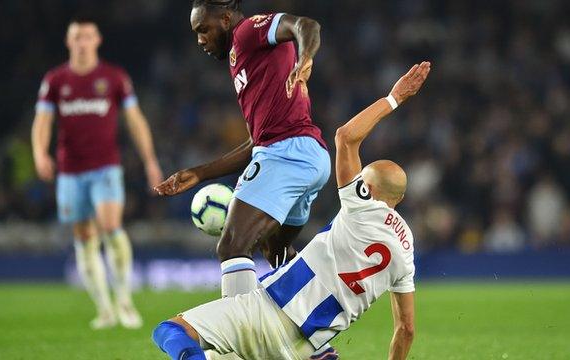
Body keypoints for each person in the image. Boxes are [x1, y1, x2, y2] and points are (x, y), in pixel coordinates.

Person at [152, 62, 431, 360]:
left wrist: (394, 97)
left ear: (368, 190)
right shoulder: (405, 254)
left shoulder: (361, 206)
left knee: (169, 332)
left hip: (268, 311)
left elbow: (346, 137)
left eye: (362, 179)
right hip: (300, 347)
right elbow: (406, 329)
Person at [156, 0, 328, 300]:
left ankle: (237, 340)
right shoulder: (241, 59)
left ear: (225, 19)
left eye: (203, 29)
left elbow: (306, 25)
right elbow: (255, 144)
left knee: (232, 246)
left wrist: (305, 58)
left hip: (286, 154)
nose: (200, 40)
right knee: (275, 252)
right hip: (307, 155)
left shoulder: (248, 31)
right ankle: (314, 337)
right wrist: (200, 173)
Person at [31, 17, 163, 329]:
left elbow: (135, 120)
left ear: (97, 40)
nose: (82, 42)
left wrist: (150, 160)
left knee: (110, 226)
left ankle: (125, 302)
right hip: (70, 171)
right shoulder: (55, 80)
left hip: (106, 166)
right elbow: (42, 121)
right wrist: (39, 153)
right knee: (84, 236)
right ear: (68, 42)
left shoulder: (114, 78)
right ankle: (104, 308)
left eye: (87, 36)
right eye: (76, 37)